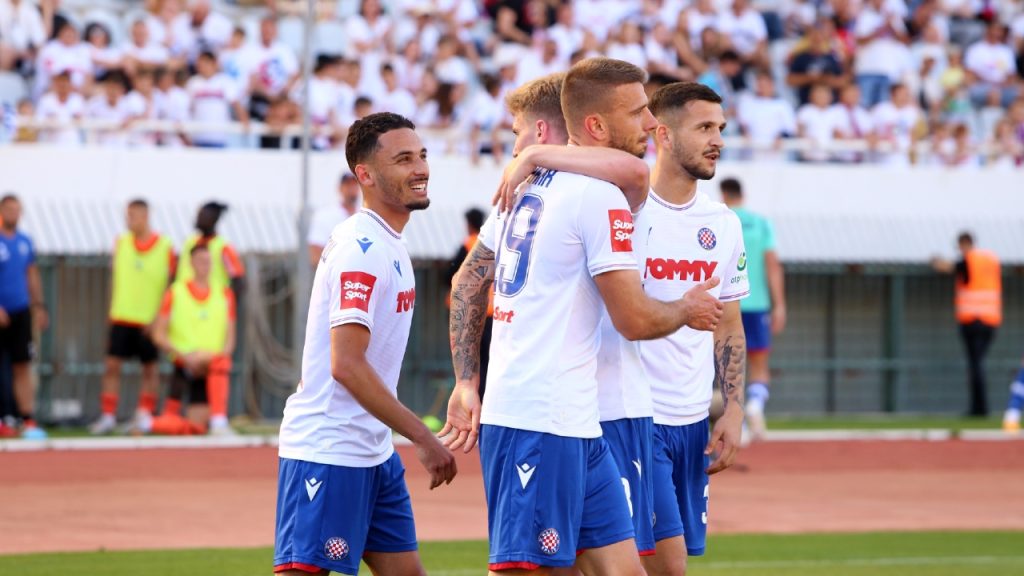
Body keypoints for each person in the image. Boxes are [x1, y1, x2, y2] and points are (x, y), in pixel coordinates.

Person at [443, 58, 724, 576]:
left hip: (578, 420)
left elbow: (466, 283)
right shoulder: (598, 195)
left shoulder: (526, 187)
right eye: (637, 112)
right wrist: (688, 308)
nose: (650, 124)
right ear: (595, 125)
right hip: (537, 419)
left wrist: (467, 380)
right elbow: (633, 321)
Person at [274, 113, 457, 576]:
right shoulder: (362, 249)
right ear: (366, 175)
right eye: (403, 159)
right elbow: (347, 365)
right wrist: (423, 437)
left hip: (374, 452)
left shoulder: (389, 242)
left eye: (421, 155)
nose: (420, 168)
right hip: (329, 450)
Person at [640, 82, 748, 575]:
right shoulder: (626, 210)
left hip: (691, 424)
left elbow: (729, 323)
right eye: (704, 127)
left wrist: (733, 409)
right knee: (668, 567)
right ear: (663, 134)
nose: (717, 140)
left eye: (720, 128)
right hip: (633, 417)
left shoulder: (723, 223)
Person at [89, 199, 175, 435]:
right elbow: (114, 280)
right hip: (122, 316)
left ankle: (144, 414)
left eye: (133, 215)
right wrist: (110, 310)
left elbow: (170, 286)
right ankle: (108, 415)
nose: (129, 220)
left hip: (149, 320)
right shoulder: (121, 243)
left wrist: (159, 318)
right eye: (127, 215)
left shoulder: (165, 246)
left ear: (146, 216)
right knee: (111, 366)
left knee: (150, 368)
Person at [720, 178, 785, 441]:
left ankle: (739, 425)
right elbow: (773, 265)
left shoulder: (721, 219)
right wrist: (779, 305)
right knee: (759, 365)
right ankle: (755, 406)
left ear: (724, 194)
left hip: (727, 303)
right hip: (757, 305)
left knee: (727, 366)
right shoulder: (761, 223)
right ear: (742, 194)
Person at [150, 243, 236, 435]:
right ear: (191, 263)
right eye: (200, 261)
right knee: (180, 424)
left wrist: (211, 358)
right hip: (183, 366)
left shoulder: (225, 294)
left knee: (199, 426)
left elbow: (230, 339)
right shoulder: (175, 292)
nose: (204, 265)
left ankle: (218, 420)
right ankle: (148, 424)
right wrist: (186, 357)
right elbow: (158, 335)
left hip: (212, 370)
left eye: (208, 261)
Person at [931, 232, 1001, 417]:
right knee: (978, 363)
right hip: (991, 319)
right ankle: (980, 407)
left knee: (975, 365)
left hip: (973, 320)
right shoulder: (990, 260)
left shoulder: (969, 260)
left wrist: (936, 262)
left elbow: (950, 267)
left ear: (964, 243)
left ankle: (979, 408)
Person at [0, 193, 48, 439]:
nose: (13, 214)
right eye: (9, 209)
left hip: (20, 311)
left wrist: (38, 306)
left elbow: (32, 274)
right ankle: (4, 417)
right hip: (2, 311)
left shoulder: (25, 241)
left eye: (17, 209)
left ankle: (27, 419)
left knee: (23, 365)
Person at [446, 207, 493, 397]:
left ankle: (469, 397)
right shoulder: (491, 244)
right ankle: (482, 398)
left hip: (467, 313)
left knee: (467, 362)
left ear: (469, 224)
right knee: (486, 360)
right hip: (491, 313)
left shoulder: (468, 246)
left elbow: (449, 276)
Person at [177, 201, 245, 296]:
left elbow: (238, 280)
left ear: (213, 219)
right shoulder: (188, 243)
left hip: (213, 302)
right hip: (185, 301)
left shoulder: (223, 247)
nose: (198, 218)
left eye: (202, 215)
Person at [307, 172, 360, 270]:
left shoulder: (365, 215)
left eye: (354, 185)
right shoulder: (325, 216)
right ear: (340, 188)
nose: (351, 189)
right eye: (348, 185)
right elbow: (315, 254)